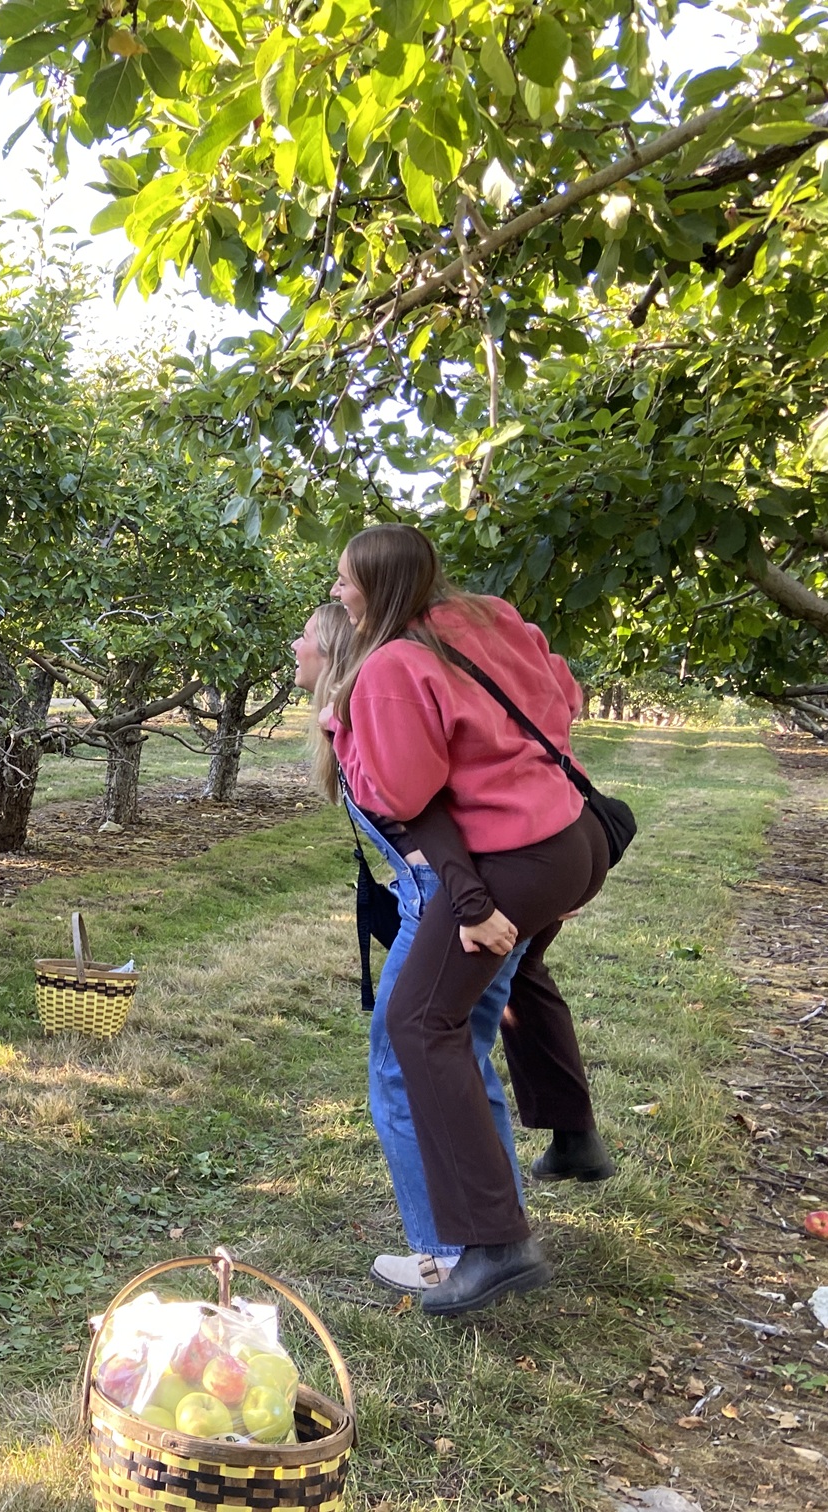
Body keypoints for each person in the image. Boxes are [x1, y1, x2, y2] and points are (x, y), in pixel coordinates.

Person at [323, 523, 614, 1316]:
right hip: (574, 836)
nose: (337, 592)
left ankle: (490, 1242)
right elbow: (565, 692)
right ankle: (572, 1133)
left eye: (345, 579)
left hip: (511, 860)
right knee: (513, 979)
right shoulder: (486, 616)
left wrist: (343, 728)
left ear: (377, 588)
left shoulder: (389, 667)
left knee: (421, 1024)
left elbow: (402, 794)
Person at [295, 604, 528, 1295]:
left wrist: (449, 902)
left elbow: (425, 821)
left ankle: (446, 1252)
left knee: (401, 1063)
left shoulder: (366, 720)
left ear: (331, 649)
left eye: (304, 635)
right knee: (461, 1055)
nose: (294, 646)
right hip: (478, 891)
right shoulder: (365, 714)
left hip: (452, 900)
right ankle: (497, 1237)